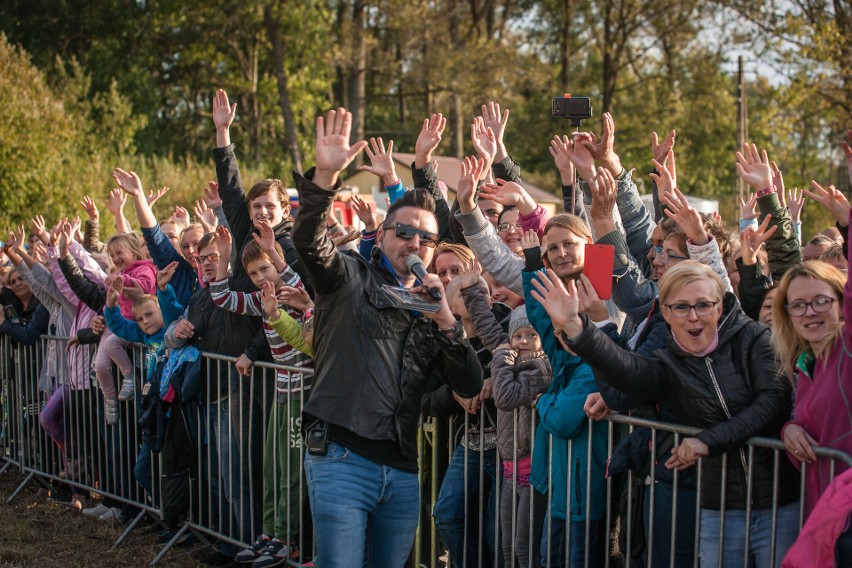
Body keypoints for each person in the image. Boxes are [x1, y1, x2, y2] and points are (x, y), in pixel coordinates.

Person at [291, 107, 483, 567]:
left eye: (426, 237)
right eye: (404, 232)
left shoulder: (430, 307)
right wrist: (323, 178)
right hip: (341, 458)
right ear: (381, 238)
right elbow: (308, 244)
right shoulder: (349, 277)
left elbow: (471, 385)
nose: (415, 242)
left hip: (400, 470)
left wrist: (445, 322)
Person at [532, 260, 799, 567]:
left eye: (703, 305)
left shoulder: (752, 337)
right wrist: (579, 328)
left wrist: (706, 441)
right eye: (681, 307)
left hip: (778, 504)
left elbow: (773, 403)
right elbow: (627, 379)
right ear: (667, 314)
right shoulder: (668, 361)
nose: (694, 316)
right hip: (719, 507)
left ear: (719, 308)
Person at [458, 266, 552, 567]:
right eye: (518, 335)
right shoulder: (509, 357)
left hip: (531, 471)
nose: (522, 341)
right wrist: (473, 291)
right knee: (506, 542)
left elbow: (508, 397)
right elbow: (487, 329)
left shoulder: (540, 367)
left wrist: (499, 361)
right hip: (509, 467)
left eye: (531, 335)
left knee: (525, 547)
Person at [774, 183, 852, 530]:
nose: (810, 312)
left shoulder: (846, 349)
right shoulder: (805, 366)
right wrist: (790, 430)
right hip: (822, 518)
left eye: (821, 300)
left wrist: (848, 225)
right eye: (798, 305)